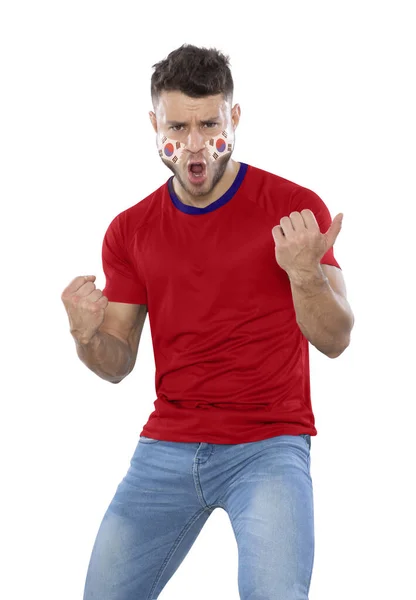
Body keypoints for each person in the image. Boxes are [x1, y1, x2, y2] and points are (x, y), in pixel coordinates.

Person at [61, 44, 354, 600]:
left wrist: (305, 274)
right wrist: (85, 336)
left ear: (233, 119)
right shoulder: (130, 229)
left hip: (268, 443)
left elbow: (337, 339)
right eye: (177, 126)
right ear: (154, 124)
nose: (194, 144)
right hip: (167, 443)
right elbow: (116, 361)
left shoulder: (294, 209)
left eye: (207, 124)